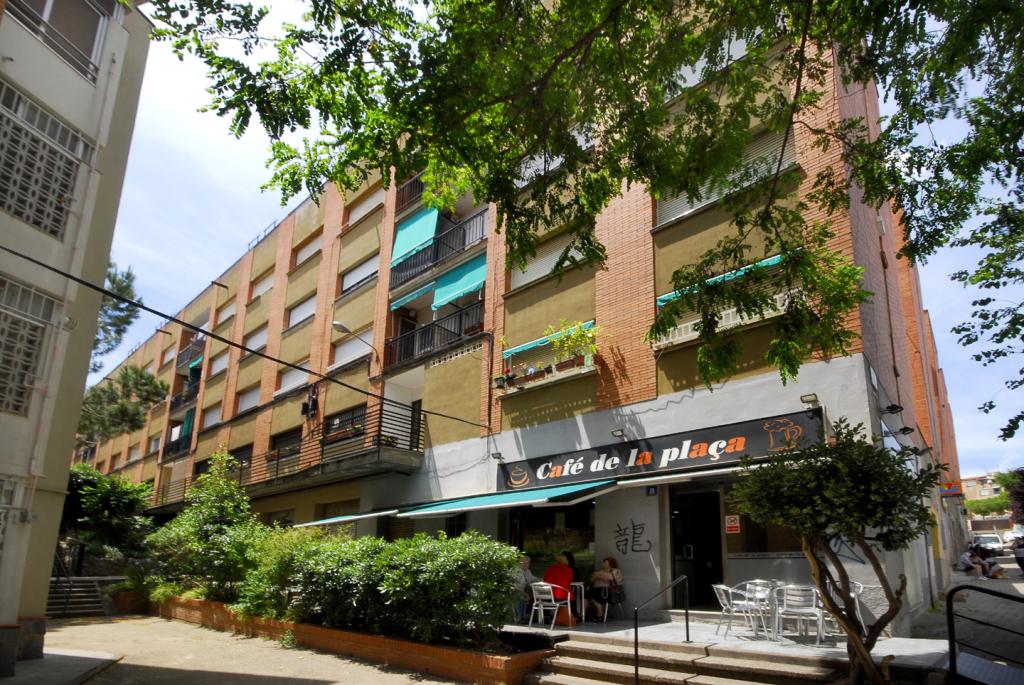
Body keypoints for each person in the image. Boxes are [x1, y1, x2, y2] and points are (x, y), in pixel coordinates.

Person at [512, 555, 538, 622]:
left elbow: (533, 579)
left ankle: (526, 616)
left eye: (528, 563)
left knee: (533, 596)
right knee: (519, 595)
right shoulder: (516, 571)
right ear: (519, 562)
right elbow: (515, 585)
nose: (527, 564)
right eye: (524, 563)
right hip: (514, 591)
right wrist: (524, 592)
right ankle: (519, 617)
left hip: (522, 591)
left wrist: (541, 581)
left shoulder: (527, 571)